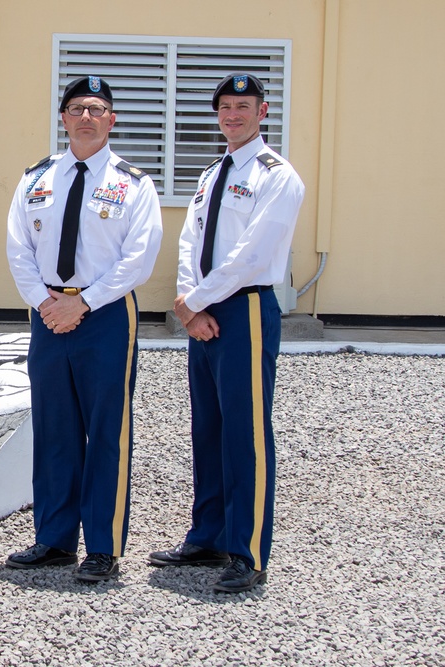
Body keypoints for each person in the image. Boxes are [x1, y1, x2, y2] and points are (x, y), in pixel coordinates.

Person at [149, 73, 305, 593]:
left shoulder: (278, 176)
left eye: (244, 106)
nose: (232, 115)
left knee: (246, 433)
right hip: (204, 315)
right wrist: (190, 309)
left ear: (264, 112)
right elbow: (188, 243)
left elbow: (252, 255)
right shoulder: (212, 173)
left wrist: (195, 302)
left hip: (245, 312)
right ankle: (208, 535)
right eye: (225, 107)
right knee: (208, 429)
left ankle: (247, 550)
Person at [5, 76, 163, 582]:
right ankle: (53, 539)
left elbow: (139, 258)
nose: (86, 117)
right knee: (54, 429)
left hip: (106, 316)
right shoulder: (36, 178)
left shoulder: (134, 183)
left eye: (97, 109)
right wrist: (44, 303)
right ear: (63, 118)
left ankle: (103, 545)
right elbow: (17, 248)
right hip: (47, 312)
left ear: (112, 119)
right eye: (77, 108)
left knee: (106, 432)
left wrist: (85, 304)